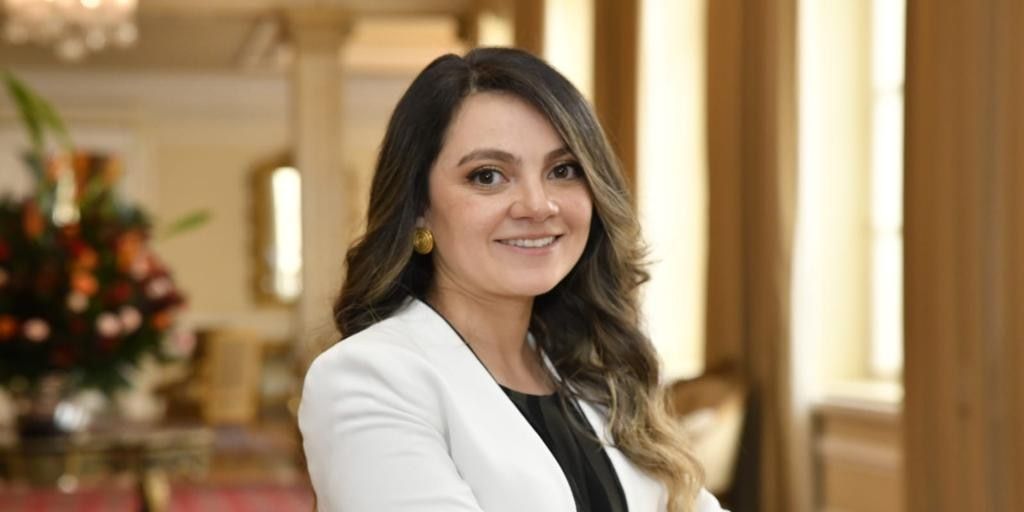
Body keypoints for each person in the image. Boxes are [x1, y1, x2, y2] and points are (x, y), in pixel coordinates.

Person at [298, 47, 727, 512]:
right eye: (487, 176)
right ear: (418, 206)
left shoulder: (594, 370)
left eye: (563, 170)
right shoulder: (368, 377)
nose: (538, 205)